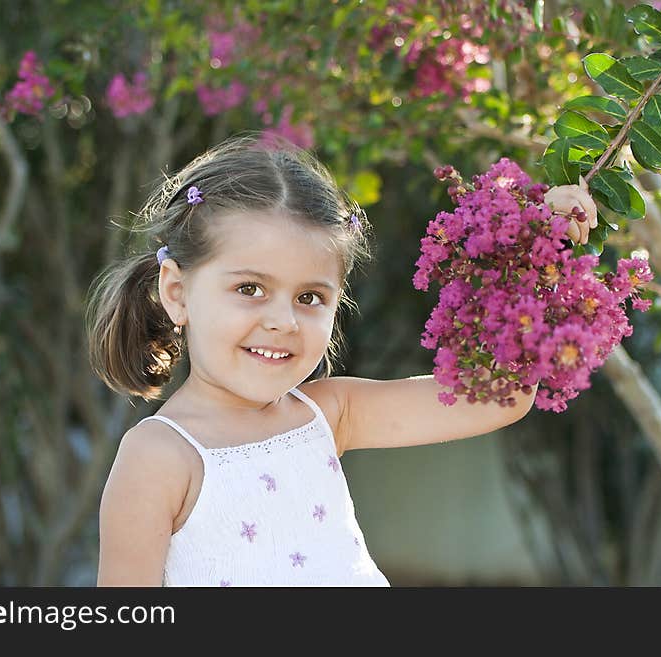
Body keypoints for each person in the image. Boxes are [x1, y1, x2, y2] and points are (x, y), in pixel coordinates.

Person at [87, 132, 597, 587]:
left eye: (310, 297)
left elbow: (499, 396)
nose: (284, 321)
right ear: (177, 291)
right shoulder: (159, 457)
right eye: (250, 288)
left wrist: (532, 246)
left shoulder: (329, 413)